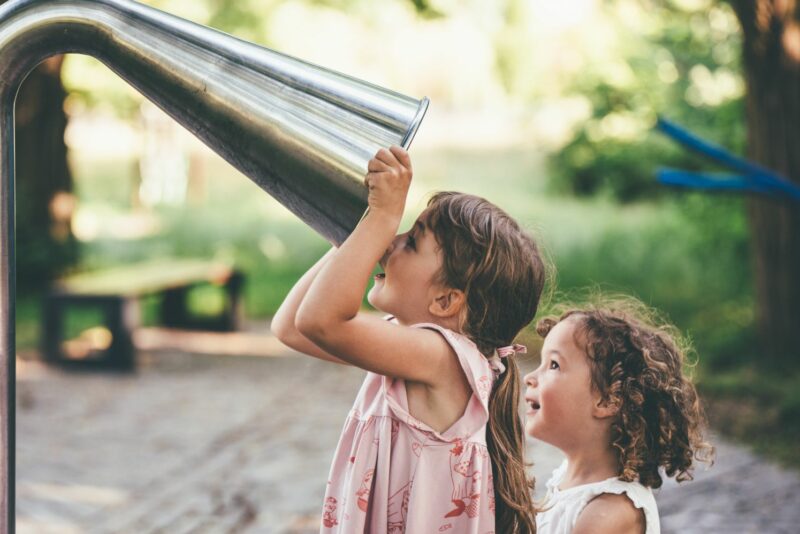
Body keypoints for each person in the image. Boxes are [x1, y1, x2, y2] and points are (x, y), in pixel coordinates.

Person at [272, 145, 546, 533]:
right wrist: (355, 231)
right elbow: (291, 328)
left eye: (411, 241)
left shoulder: (444, 358)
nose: (389, 241)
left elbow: (320, 321)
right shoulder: (411, 346)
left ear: (446, 300)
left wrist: (380, 218)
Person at [524, 299, 715, 534]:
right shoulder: (567, 478)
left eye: (553, 365)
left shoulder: (609, 514)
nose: (529, 377)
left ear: (608, 400)